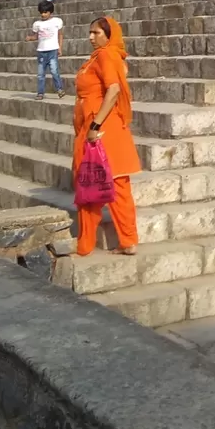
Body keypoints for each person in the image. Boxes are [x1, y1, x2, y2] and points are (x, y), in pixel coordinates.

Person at [73, 16, 141, 256]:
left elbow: (113, 89)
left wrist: (94, 124)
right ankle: (125, 240)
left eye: (97, 33)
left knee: (93, 182)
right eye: (90, 33)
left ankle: (88, 243)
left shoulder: (105, 55)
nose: (91, 37)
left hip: (101, 128)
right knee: (111, 183)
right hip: (102, 126)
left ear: (109, 35)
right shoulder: (105, 56)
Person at [26, 0, 65, 99]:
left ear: (50, 12)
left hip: (53, 50)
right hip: (41, 52)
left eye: (45, 12)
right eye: (41, 12)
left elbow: (60, 35)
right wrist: (30, 38)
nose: (43, 14)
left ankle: (59, 89)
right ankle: (40, 93)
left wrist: (60, 47)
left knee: (54, 71)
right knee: (40, 74)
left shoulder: (57, 21)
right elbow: (36, 36)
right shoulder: (37, 24)